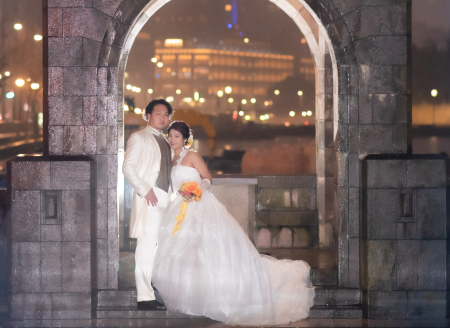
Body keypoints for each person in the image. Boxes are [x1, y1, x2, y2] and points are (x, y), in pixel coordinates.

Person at [152, 120, 315, 325]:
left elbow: (207, 178)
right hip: (179, 208)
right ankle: (190, 296)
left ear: (185, 139)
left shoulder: (192, 155)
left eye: (177, 136)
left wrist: (197, 190)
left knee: (208, 249)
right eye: (170, 135)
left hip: (199, 205)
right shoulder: (171, 159)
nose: (173, 139)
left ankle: (216, 297)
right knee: (181, 251)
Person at [122, 99, 173, 311]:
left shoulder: (166, 140)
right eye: (158, 113)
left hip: (167, 199)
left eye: (166, 115)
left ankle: (152, 291)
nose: (163, 118)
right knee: (145, 248)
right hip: (150, 199)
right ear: (148, 115)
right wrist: (146, 189)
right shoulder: (139, 137)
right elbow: (128, 167)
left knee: (158, 249)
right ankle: (144, 297)